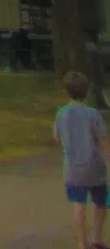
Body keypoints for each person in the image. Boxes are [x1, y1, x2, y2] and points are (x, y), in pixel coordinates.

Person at [55, 70, 108, 248]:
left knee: (78, 204)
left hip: (73, 169)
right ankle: (97, 237)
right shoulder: (93, 114)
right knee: (100, 202)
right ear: (87, 91)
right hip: (95, 168)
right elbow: (103, 141)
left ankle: (82, 242)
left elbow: (57, 138)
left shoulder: (61, 113)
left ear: (66, 91)